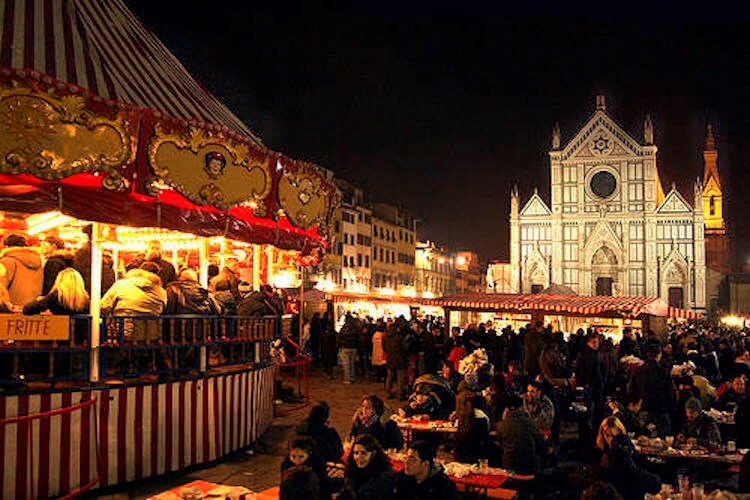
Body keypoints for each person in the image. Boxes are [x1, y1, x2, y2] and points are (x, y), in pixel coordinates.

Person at [595, 416, 661, 499]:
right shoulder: (602, 453)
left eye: (613, 436)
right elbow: (632, 472)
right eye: (607, 435)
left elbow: (639, 467)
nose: (610, 439)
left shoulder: (624, 445)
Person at [495, 395, 545, 474]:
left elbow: (501, 443)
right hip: (529, 465)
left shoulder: (500, 425)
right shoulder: (530, 423)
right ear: (521, 407)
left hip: (509, 466)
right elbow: (540, 442)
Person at [339, 433, 395, 500]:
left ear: (373, 454)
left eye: (363, 453)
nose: (359, 457)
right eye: (356, 453)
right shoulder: (352, 470)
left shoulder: (383, 475)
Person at [0, 233, 43, 306]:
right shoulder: (38, 262)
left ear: (6, 246)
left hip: (11, 310)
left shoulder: (6, 261)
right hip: (32, 308)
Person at [453, 389, 491, 464]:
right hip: (477, 455)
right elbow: (485, 436)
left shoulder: (460, 417)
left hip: (460, 456)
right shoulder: (483, 417)